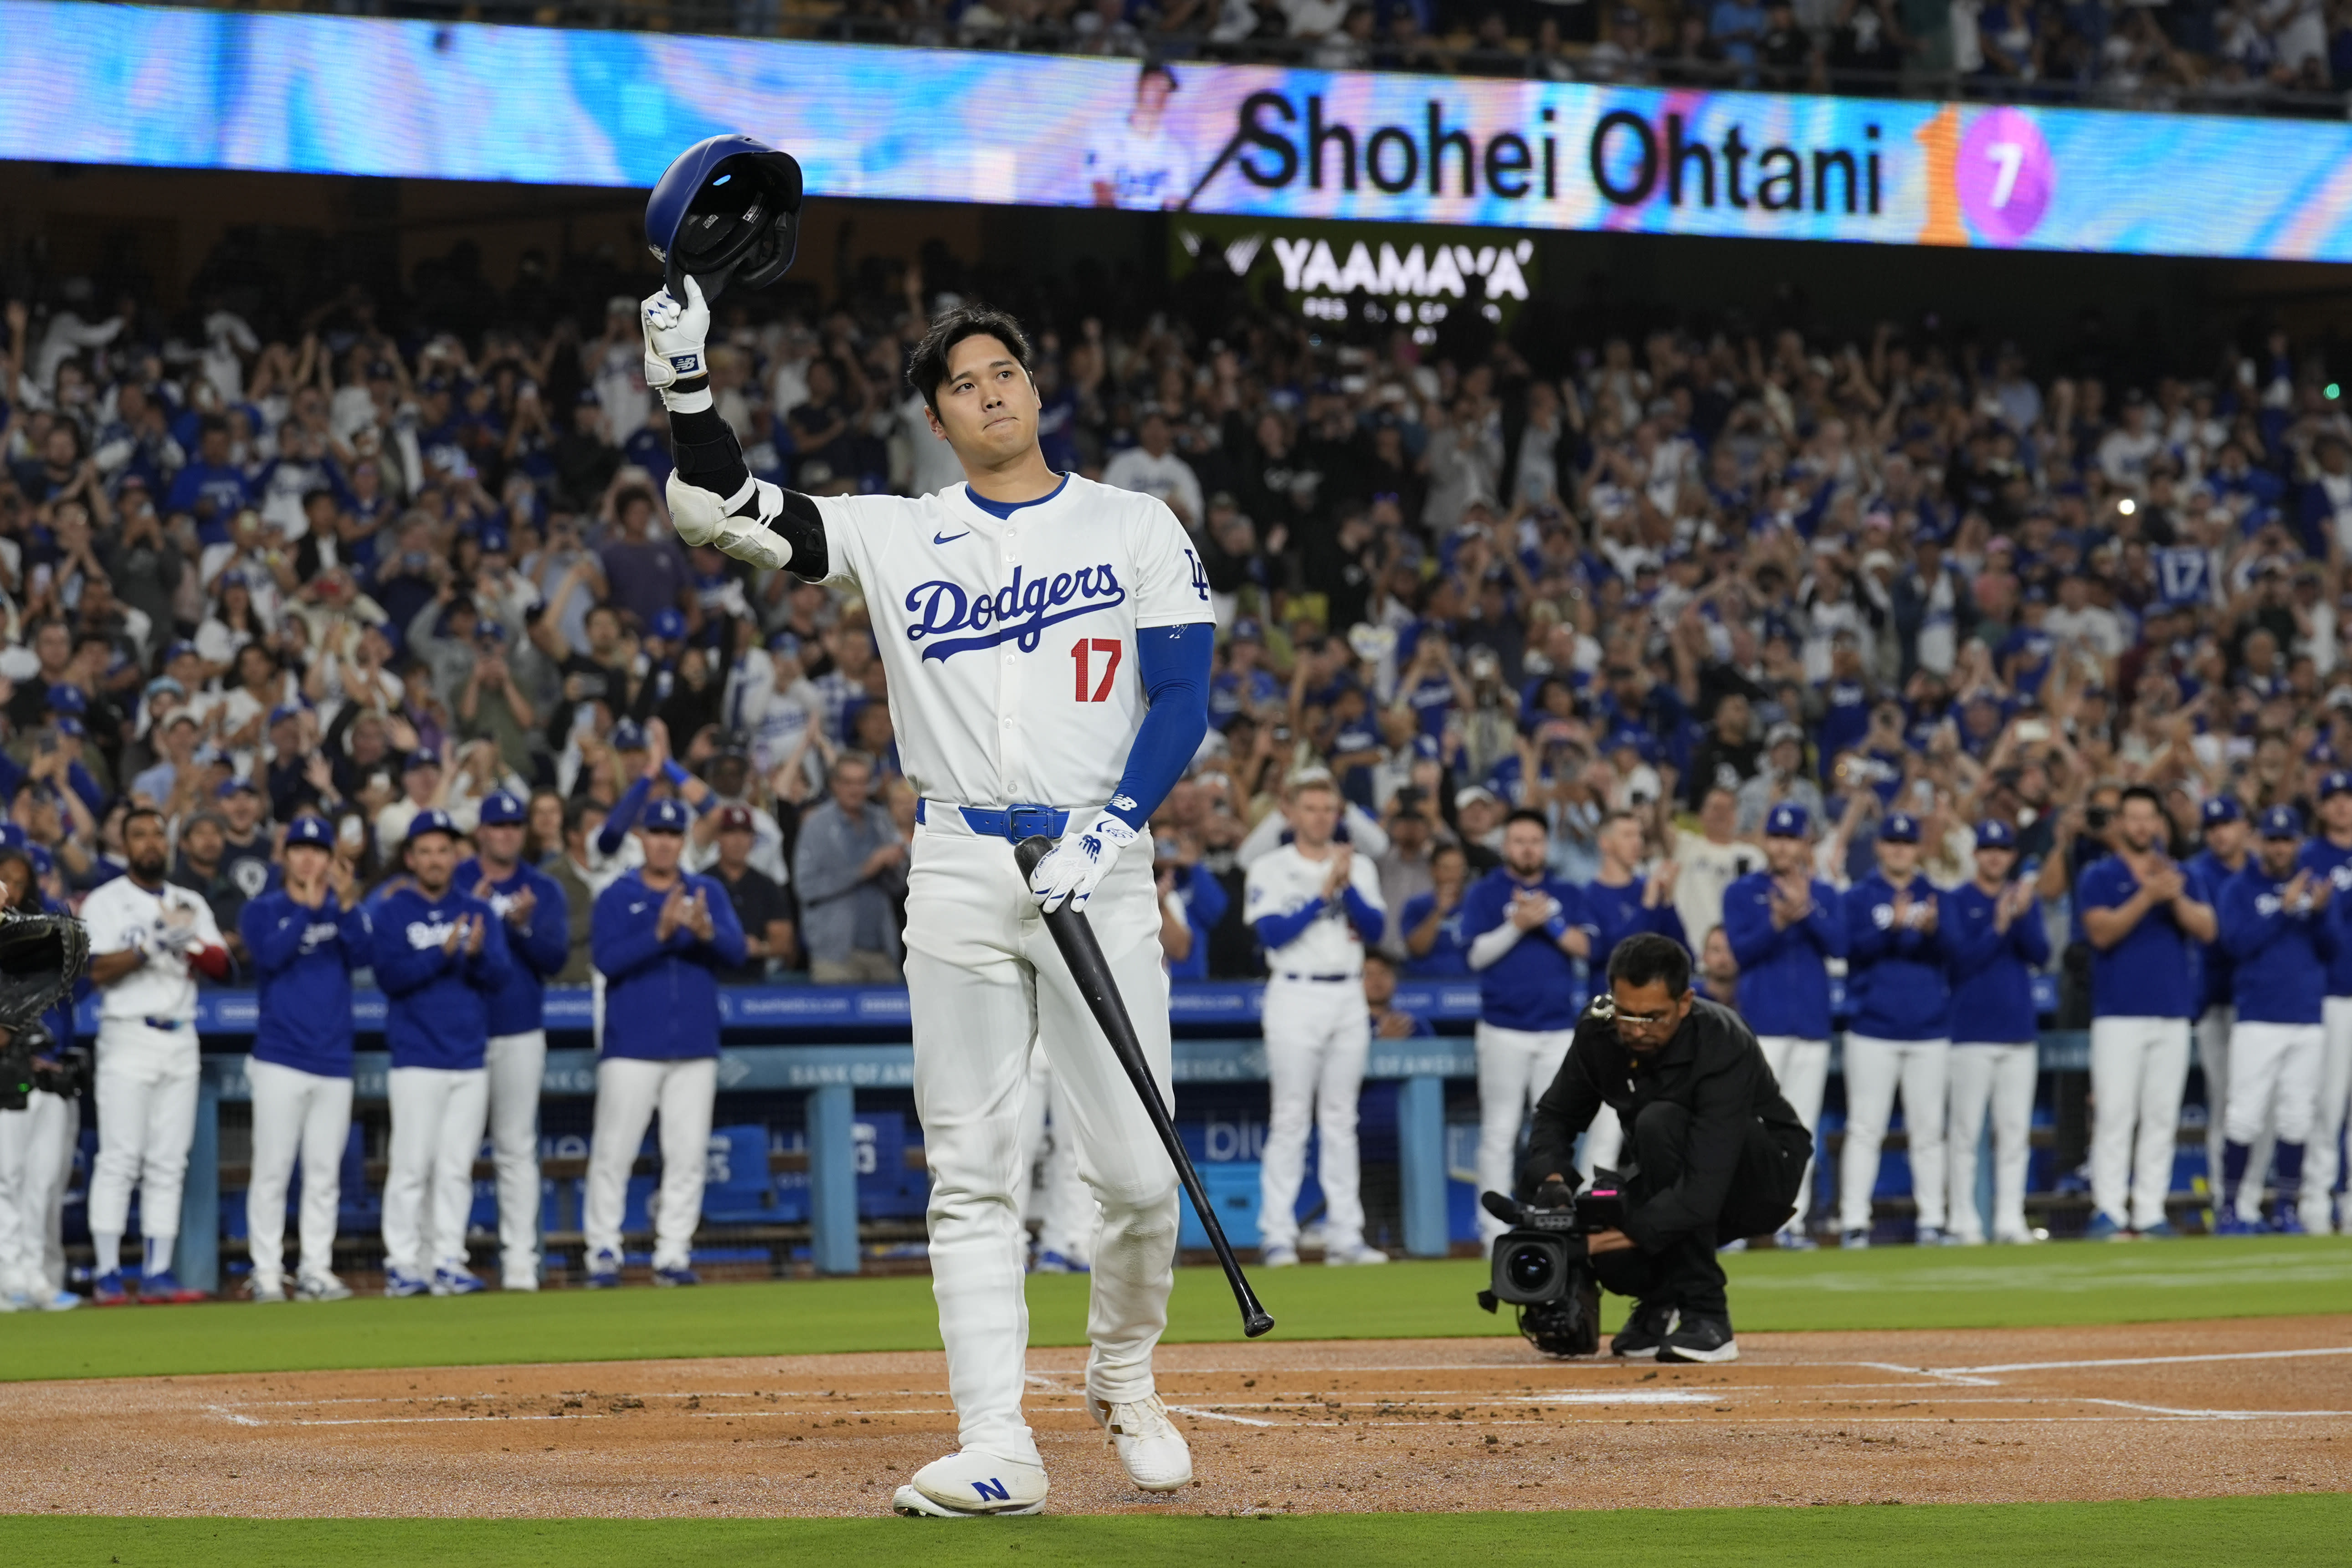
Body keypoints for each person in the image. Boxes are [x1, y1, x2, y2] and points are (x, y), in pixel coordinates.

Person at [649, 281, 1213, 1512]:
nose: (988, 390)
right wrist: (685, 383)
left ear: (1034, 386)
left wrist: (1113, 827)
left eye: (1001, 369)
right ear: (936, 419)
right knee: (971, 1164)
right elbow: (720, 511)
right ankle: (998, 1444)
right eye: (961, 383)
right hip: (958, 864)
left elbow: (1183, 697)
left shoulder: (1135, 523)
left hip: (1098, 864)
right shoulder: (899, 531)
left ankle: (1122, 1375)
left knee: (1132, 1175)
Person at [1523, 933, 1811, 1365]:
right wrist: (1554, 1185)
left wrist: (1618, 1234)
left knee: (1659, 1124)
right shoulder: (1599, 1031)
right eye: (1627, 1015)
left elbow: (1704, 1188)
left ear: (1685, 1001)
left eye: (1654, 1017)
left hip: (1762, 1170)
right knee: (1614, 1246)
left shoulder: (1722, 1041)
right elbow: (1555, 1116)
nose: (1638, 1029)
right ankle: (1659, 1304)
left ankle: (1708, 1317)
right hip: (1673, 1167)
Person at [586, 797, 747, 1286]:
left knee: (687, 1154)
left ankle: (673, 1254)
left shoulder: (706, 890)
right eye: (655, 832)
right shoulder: (617, 894)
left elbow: (737, 952)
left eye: (673, 834)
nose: (663, 841)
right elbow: (606, 962)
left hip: (693, 1046)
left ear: (682, 841)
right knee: (614, 1152)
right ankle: (603, 1251)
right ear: (642, 838)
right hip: (632, 1045)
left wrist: (705, 933)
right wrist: (658, 934)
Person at [79, 806, 230, 1304]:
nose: (149, 843)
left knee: (169, 1161)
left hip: (181, 1035)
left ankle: (158, 1272)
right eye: (139, 835)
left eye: (156, 835)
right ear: (126, 845)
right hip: (128, 1033)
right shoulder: (105, 901)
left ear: (167, 844)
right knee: (120, 1157)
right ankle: (106, 1273)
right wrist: (148, 946)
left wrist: (184, 943)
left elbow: (222, 966)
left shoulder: (188, 901)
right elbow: (94, 971)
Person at [1246, 771, 1390, 1267]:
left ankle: (1345, 1235)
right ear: (1291, 813)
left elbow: (1374, 928)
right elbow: (1271, 934)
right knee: (1289, 1117)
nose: (1320, 817)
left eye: (1328, 809)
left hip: (1347, 994)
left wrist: (1344, 886)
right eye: (1310, 808)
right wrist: (1323, 891)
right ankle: (1278, 1234)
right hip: (1294, 992)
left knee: (1339, 1119)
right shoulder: (1269, 867)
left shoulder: (1359, 866)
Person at [371, 809, 511, 1297]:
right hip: (416, 1057)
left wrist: (475, 955)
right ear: (411, 858)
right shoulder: (393, 910)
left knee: (455, 1168)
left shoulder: (476, 910)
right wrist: (443, 952)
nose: (435, 859)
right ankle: (404, 1263)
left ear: (456, 856)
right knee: (411, 1166)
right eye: (426, 850)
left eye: (444, 850)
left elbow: (500, 976)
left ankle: (449, 1259)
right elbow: (390, 978)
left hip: (468, 1056)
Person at [236, 816, 368, 1303]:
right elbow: (268, 957)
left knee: (323, 1173)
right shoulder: (264, 909)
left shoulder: (343, 908)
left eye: (319, 850)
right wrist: (308, 914)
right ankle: (267, 1272)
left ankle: (316, 1268)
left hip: (333, 1058)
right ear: (285, 856)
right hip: (280, 1057)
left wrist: (346, 905)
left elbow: (366, 955)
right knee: (272, 1170)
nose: (309, 858)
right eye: (300, 849)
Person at [2076, 784, 2215, 1239]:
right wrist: (2146, 897)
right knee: (2115, 1113)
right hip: (2117, 1012)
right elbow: (2100, 933)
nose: (2139, 826)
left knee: (2160, 1115)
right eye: (2130, 817)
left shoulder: (2180, 875)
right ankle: (2108, 1209)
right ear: (2118, 824)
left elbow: (2207, 928)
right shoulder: (2099, 875)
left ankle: (2150, 1209)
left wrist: (2171, 895)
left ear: (2159, 823)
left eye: (2146, 818)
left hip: (2171, 1011)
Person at [457, 789, 571, 1291]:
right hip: (459, 1030)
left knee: (516, 1148)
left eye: (513, 825)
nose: (505, 833)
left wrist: (519, 929)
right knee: (452, 1153)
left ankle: (520, 1261)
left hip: (520, 1026)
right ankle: (442, 1257)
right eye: (496, 825)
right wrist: (478, 920)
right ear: (481, 831)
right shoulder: (458, 881)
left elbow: (555, 959)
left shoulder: (542, 887)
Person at [1461, 807, 1591, 1244]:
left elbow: (1585, 946)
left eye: (1535, 840)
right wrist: (1517, 924)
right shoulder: (1485, 892)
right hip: (1503, 1027)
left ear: (1546, 845)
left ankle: (1559, 1221)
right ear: (1505, 845)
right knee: (1499, 1130)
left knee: (1554, 1134)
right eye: (1519, 840)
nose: (1528, 848)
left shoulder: (1566, 891)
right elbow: (1475, 955)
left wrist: (1549, 920)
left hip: (1556, 1029)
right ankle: (1492, 1231)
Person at [1720, 802, 1844, 1248]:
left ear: (1805, 842)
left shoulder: (1823, 894)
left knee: (1799, 1129)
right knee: (1746, 1127)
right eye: (1775, 836)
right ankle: (1732, 1224)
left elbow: (1839, 944)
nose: (1783, 845)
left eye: (1792, 837)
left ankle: (1790, 1223)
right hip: (1763, 1027)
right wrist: (1776, 920)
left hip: (1810, 1026)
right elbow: (1740, 951)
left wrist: (1806, 909)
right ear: (1763, 840)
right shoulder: (1742, 892)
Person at [2215, 805, 2335, 1235]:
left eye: (2287, 840)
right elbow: (2235, 944)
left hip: (2306, 1015)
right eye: (2273, 839)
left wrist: (2319, 914)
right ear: (2259, 842)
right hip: (2259, 1016)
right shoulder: (2239, 888)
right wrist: (2283, 911)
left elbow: (2334, 947)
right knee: (2244, 1116)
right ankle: (2229, 1208)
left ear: (2298, 843)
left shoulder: (2315, 885)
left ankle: (2286, 1207)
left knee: (2297, 1119)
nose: (2280, 847)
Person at [1838, 812, 1952, 1248]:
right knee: (1866, 1127)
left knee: (1928, 1130)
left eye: (1908, 842)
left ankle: (1932, 1219)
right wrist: (1894, 926)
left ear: (1917, 848)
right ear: (1881, 847)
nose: (1901, 849)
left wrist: (1933, 930)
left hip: (1928, 1027)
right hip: (1873, 1026)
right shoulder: (1861, 896)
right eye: (1893, 842)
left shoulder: (1934, 895)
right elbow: (1849, 947)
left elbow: (1954, 950)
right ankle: (1853, 1221)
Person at [1942, 820, 2050, 1247]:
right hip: (1970, 1032)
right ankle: (1963, 1221)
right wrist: (2000, 924)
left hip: (2018, 1032)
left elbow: (2041, 953)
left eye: (2002, 849)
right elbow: (1960, 959)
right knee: (1966, 1133)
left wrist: (2021, 918)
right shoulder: (1956, 900)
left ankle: (2010, 1218)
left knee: (2014, 1133)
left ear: (2010, 856)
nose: (1994, 856)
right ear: (1976, 855)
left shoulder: (2025, 900)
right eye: (1987, 849)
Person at [0, 847, 84, 1311]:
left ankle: (33, 1275)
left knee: (43, 1183)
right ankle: (9, 1273)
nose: (9, 888)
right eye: (2, 879)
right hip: (7, 1076)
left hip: (46, 1076)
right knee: (6, 1179)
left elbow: (75, 991)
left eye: (18, 880)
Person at [2184, 797, 2259, 1229]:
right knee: (2227, 1105)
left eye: (2227, 822)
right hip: (2216, 1002)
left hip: (2259, 1003)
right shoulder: (2198, 872)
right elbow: (2217, 936)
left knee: (2261, 1108)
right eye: (2212, 825)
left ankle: (2250, 1200)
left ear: (2243, 826)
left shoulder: (2259, 869)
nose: (2219, 832)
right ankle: (2223, 1195)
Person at [2295, 771, 2352, 1234]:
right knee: (2327, 1104)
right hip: (2331, 994)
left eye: (2346, 797)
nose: (2341, 805)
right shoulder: (2308, 857)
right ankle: (2315, 1201)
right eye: (2331, 798)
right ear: (2319, 807)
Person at [792, 751, 906, 983]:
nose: (856, 790)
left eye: (862, 783)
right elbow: (806, 887)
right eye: (848, 783)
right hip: (835, 954)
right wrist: (864, 869)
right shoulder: (816, 825)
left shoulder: (881, 820)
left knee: (891, 1020)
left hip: (883, 950)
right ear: (835, 784)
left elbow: (897, 888)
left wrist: (896, 865)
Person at [708, 803, 796, 980]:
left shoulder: (766, 885)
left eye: (744, 834)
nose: (738, 841)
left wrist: (762, 948)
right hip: (710, 977)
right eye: (730, 833)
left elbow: (784, 940)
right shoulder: (703, 882)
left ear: (753, 839)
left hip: (752, 982)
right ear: (718, 838)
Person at [1397, 842, 1473, 976]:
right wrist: (1439, 911)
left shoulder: (1476, 904)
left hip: (1469, 985)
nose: (1453, 875)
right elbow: (1417, 949)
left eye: (1458, 868)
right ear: (1433, 870)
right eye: (1446, 868)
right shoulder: (1416, 905)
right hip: (1425, 984)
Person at [1363, 951, 1433, 1039]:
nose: (1376, 980)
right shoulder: (1347, 1025)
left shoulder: (1413, 1025)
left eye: (1383, 973)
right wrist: (1381, 1040)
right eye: (1368, 974)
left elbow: (1433, 1052)